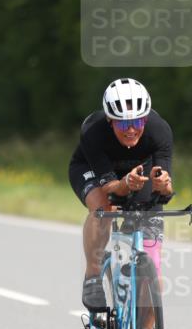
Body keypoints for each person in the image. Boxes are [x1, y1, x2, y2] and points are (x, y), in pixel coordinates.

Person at [68, 78, 174, 316]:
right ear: (109, 120)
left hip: (138, 169)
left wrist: (163, 185)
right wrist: (125, 184)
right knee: (103, 208)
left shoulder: (160, 130)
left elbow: (165, 192)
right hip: (92, 170)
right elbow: (110, 188)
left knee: (152, 271)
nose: (131, 129)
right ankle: (93, 275)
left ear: (145, 119)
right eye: (123, 123)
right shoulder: (93, 131)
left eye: (137, 121)